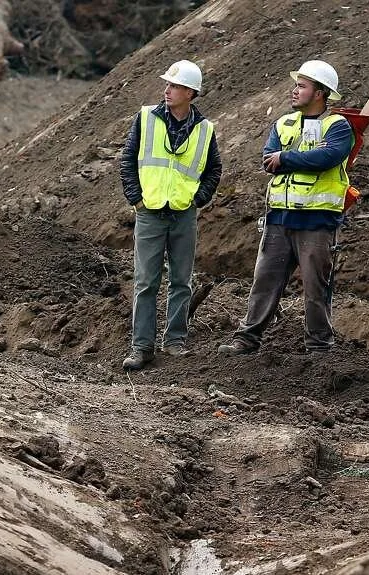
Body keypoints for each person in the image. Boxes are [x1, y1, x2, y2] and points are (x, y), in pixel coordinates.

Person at [218, 59, 354, 356]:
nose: (294, 90)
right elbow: (269, 160)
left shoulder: (338, 126)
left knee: (316, 287)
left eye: (301, 86)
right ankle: (247, 339)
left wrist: (287, 158)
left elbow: (327, 159)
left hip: (317, 221)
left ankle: (319, 347)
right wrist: (290, 158)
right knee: (264, 281)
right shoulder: (283, 123)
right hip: (279, 217)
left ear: (320, 93)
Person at [118, 59, 223, 371]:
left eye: (175, 86)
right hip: (150, 212)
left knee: (181, 281)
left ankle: (175, 341)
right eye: (167, 84)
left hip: (183, 214)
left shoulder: (205, 130)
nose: (167, 90)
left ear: (190, 93)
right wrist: (136, 199)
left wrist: (198, 200)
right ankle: (142, 347)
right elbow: (128, 159)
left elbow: (214, 169)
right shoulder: (145, 118)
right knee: (146, 281)